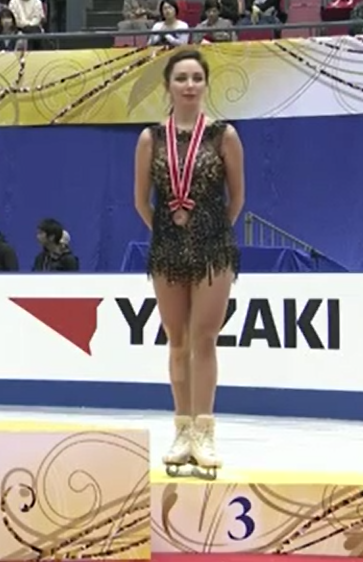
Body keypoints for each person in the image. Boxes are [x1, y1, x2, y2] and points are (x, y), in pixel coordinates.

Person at [132, 49, 243, 478]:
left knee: (204, 338)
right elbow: (141, 201)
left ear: (206, 84)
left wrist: (210, 228)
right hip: (167, 248)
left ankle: (205, 432)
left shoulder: (223, 135)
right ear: (168, 86)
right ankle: (181, 431)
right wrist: (168, 230)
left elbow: (237, 198)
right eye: (181, 78)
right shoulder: (150, 139)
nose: (190, 85)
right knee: (177, 340)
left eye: (197, 77)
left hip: (213, 246)